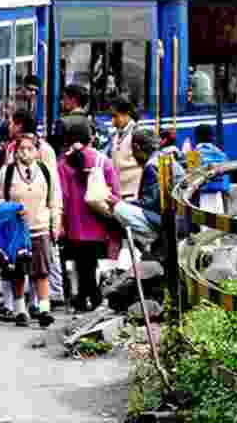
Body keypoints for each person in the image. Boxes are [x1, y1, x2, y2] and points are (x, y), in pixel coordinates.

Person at [0, 132, 63, 327]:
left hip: (40, 228)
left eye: (30, 149)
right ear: (15, 152)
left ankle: (44, 309)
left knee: (42, 271)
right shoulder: (7, 172)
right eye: (21, 149)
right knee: (18, 272)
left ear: (37, 152)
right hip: (16, 231)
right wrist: (12, 211)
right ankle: (20, 309)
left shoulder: (46, 172)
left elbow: (55, 200)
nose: (25, 153)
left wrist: (55, 224)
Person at [57, 117, 122, 312]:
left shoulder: (63, 164)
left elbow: (63, 197)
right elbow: (115, 193)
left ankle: (84, 297)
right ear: (90, 138)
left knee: (80, 263)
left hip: (74, 225)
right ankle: (91, 296)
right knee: (91, 263)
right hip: (99, 224)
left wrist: (60, 223)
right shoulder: (104, 161)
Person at [108, 128, 185, 262]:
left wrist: (122, 203)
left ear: (137, 147)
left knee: (117, 209)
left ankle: (146, 251)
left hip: (168, 223)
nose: (132, 154)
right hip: (179, 219)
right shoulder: (163, 159)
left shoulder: (152, 166)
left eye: (132, 150)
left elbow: (149, 204)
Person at [107, 97, 141, 200]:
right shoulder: (116, 135)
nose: (113, 122)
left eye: (115, 116)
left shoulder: (138, 133)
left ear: (127, 114)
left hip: (132, 193)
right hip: (120, 192)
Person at [193, 124, 230, 215]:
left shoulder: (195, 153)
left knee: (207, 223)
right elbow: (227, 169)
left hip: (203, 193)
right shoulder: (220, 153)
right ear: (212, 137)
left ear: (196, 137)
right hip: (218, 192)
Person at [49, 84, 96, 156]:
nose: (62, 102)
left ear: (73, 100)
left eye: (64, 98)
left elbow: (56, 149)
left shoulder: (62, 122)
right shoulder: (90, 123)